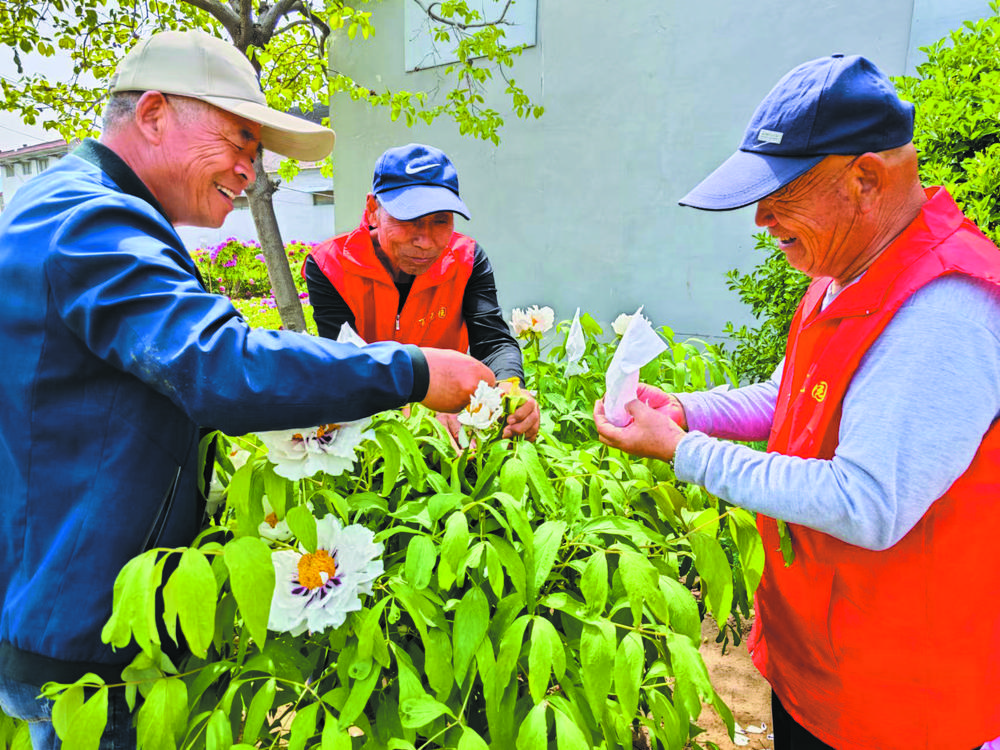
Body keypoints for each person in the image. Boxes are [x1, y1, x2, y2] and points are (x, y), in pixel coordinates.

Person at [0, 30, 494, 748]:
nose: (249, 169)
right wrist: (413, 371)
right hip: (86, 633)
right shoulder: (92, 220)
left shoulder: (77, 206)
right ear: (156, 114)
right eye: (238, 139)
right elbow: (218, 365)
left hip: (63, 598)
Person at [594, 54, 1000, 750]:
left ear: (865, 179)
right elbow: (795, 391)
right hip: (821, 662)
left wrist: (682, 450)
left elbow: (865, 502)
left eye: (782, 193)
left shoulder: (944, 308)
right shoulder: (847, 265)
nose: (761, 219)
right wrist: (689, 409)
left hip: (903, 699)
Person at [305, 143, 541, 442]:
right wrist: (423, 408)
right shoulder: (330, 266)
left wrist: (511, 389)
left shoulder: (466, 259)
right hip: (372, 431)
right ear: (372, 210)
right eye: (408, 220)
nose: (426, 241)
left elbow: (492, 339)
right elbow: (346, 364)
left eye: (440, 221)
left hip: (456, 428)